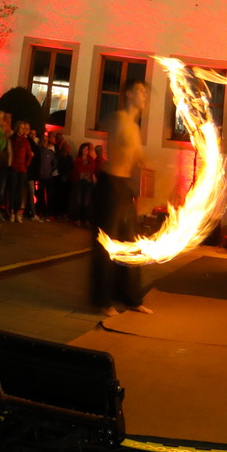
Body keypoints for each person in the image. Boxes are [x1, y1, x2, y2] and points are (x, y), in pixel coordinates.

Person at [90, 81, 152, 319]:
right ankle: (104, 301)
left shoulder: (135, 128)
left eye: (146, 92)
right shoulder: (117, 120)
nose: (145, 95)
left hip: (124, 188)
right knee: (108, 246)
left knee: (131, 244)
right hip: (110, 187)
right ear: (128, 94)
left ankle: (131, 298)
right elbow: (115, 151)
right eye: (140, 91)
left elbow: (136, 159)